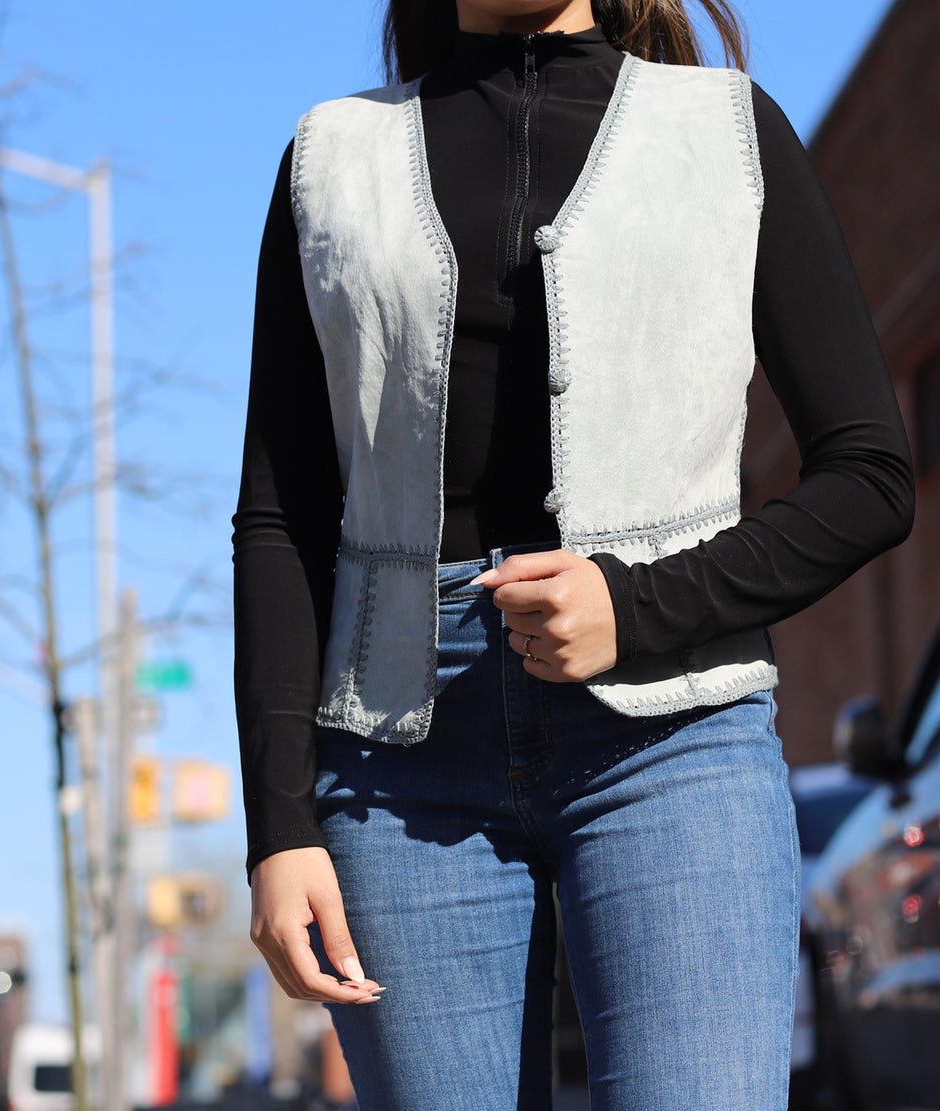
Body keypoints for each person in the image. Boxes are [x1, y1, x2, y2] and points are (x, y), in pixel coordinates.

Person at [232, 0, 915, 1106]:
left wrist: (635, 606)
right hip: (397, 760)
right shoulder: (330, 156)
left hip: (675, 741)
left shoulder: (728, 133)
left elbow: (868, 477)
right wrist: (278, 825)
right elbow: (280, 515)